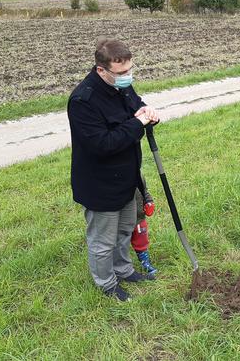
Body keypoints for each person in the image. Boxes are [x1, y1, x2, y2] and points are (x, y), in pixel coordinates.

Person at [67, 38, 160, 302]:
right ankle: (107, 284)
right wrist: (137, 124)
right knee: (102, 240)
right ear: (101, 70)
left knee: (124, 229)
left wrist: (147, 112)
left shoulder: (122, 86)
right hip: (100, 183)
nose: (127, 77)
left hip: (127, 177)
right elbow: (102, 145)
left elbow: (136, 106)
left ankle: (124, 270)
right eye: (121, 73)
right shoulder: (82, 101)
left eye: (130, 70)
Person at [131, 174, 158, 277]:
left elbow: (144, 191)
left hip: (139, 217)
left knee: (141, 239)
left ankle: (144, 261)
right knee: (121, 242)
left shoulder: (139, 177)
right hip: (122, 220)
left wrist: (149, 201)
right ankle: (122, 264)